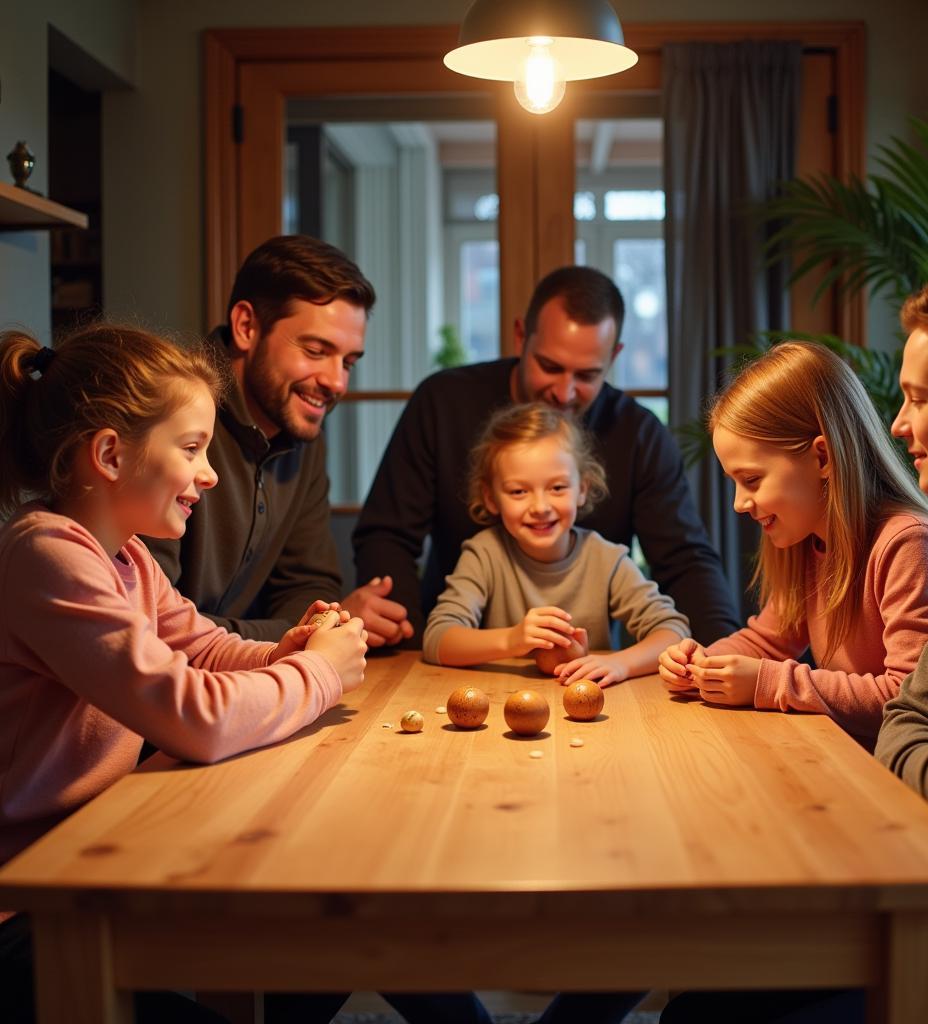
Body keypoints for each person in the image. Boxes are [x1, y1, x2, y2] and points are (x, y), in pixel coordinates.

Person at [662, 269, 928, 1024]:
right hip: (923, 844)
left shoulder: (914, 540)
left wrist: (775, 686)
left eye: (918, 399)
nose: (898, 422)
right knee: (697, 1006)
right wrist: (702, 660)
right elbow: (911, 714)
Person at [0, 324, 368, 1024]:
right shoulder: (47, 557)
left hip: (105, 849)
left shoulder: (126, 556)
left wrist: (291, 649)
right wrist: (319, 675)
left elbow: (204, 647)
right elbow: (191, 714)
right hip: (30, 898)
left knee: (330, 943)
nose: (210, 473)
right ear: (110, 453)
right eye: (193, 449)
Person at [354, 265, 739, 644]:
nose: (564, 392)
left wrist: (723, 645)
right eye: (550, 367)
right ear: (521, 336)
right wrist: (404, 637)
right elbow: (387, 535)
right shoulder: (442, 402)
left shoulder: (640, 434)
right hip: (456, 650)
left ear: (614, 356)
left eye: (587, 375)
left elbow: (686, 560)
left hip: (584, 664)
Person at [658, 341, 928, 749]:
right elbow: (767, 640)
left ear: (822, 458)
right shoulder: (809, 542)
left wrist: (767, 682)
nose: (738, 503)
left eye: (751, 480)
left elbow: (910, 699)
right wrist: (701, 661)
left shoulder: (910, 545)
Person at [147, 234, 413, 648]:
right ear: (246, 326)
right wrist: (300, 633)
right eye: (315, 349)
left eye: (348, 361)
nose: (336, 381)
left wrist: (311, 627)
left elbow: (310, 588)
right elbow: (158, 627)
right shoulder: (164, 414)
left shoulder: (302, 430)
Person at [424, 403, 690, 683]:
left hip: (596, 709)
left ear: (582, 490)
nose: (540, 506)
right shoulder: (485, 554)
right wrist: (513, 639)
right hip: (499, 705)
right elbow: (438, 638)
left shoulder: (606, 559)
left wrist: (620, 664)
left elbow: (673, 631)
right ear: (491, 498)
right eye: (518, 491)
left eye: (557, 487)